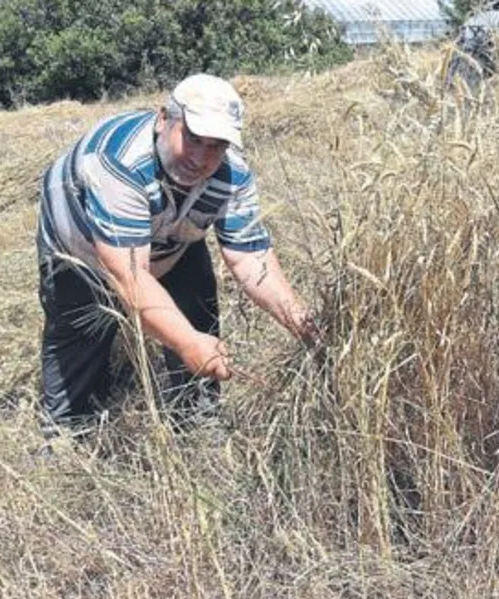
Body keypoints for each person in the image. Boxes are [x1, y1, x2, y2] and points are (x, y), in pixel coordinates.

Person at [35, 73, 319, 436]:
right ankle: (67, 434)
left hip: (173, 239)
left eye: (216, 145)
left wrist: (303, 325)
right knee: (81, 332)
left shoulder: (232, 174)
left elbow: (250, 257)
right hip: (79, 247)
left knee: (196, 315)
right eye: (193, 138)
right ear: (163, 120)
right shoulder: (118, 163)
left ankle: (196, 423)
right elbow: (129, 277)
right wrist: (186, 343)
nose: (201, 158)